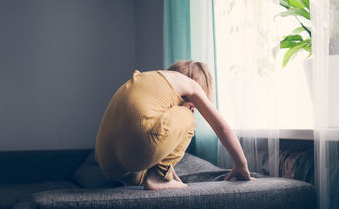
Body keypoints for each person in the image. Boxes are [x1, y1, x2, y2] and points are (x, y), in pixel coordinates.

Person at [95, 60, 255, 190]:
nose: (193, 108)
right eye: (195, 106)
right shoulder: (191, 84)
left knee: (146, 169)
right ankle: (156, 179)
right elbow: (222, 128)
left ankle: (158, 178)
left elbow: (158, 143)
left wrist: (172, 177)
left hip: (107, 161)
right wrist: (241, 165)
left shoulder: (150, 81)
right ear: (197, 81)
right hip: (139, 145)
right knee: (187, 118)